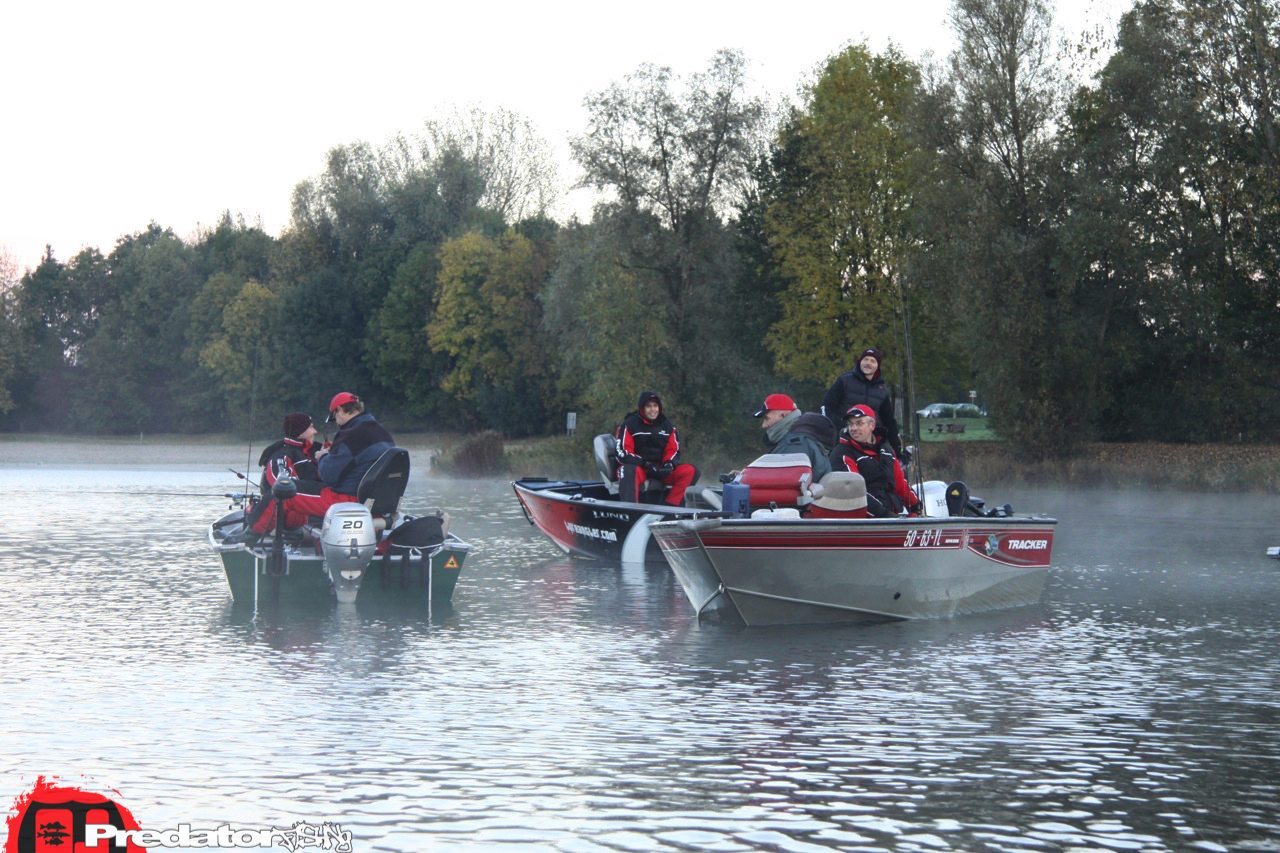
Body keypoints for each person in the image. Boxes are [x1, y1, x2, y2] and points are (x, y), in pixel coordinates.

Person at [228, 392, 396, 543]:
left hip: (346, 499)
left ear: (340, 410)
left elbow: (328, 476)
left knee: (282, 493)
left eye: (334, 417)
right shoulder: (382, 434)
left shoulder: (352, 435)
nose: (336, 423)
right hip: (373, 501)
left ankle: (253, 534)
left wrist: (322, 457)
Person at [829, 404, 920, 517]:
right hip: (861, 521)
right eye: (850, 424)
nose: (853, 428)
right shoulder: (841, 453)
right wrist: (886, 516)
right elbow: (852, 491)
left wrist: (916, 506)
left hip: (889, 518)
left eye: (859, 423)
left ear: (872, 425)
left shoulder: (886, 451)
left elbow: (899, 483)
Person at [614, 390, 698, 506]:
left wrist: (669, 464)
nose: (653, 410)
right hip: (639, 468)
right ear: (642, 408)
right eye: (648, 406)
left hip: (660, 469)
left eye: (655, 406)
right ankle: (631, 510)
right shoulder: (629, 424)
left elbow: (673, 450)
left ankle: (671, 509)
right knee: (628, 470)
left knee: (691, 471)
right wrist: (646, 464)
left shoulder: (668, 425)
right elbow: (622, 453)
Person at [820, 346, 904, 459]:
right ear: (860, 362)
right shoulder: (844, 381)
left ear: (878, 366)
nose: (868, 363)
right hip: (843, 440)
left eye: (872, 361)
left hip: (870, 444)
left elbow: (888, 421)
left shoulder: (882, 390)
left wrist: (897, 449)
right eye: (865, 359)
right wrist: (837, 429)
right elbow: (827, 407)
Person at [753, 393, 834, 483]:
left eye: (766, 418)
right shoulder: (799, 439)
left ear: (782, 415)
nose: (763, 425)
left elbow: (780, 484)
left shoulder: (795, 445)